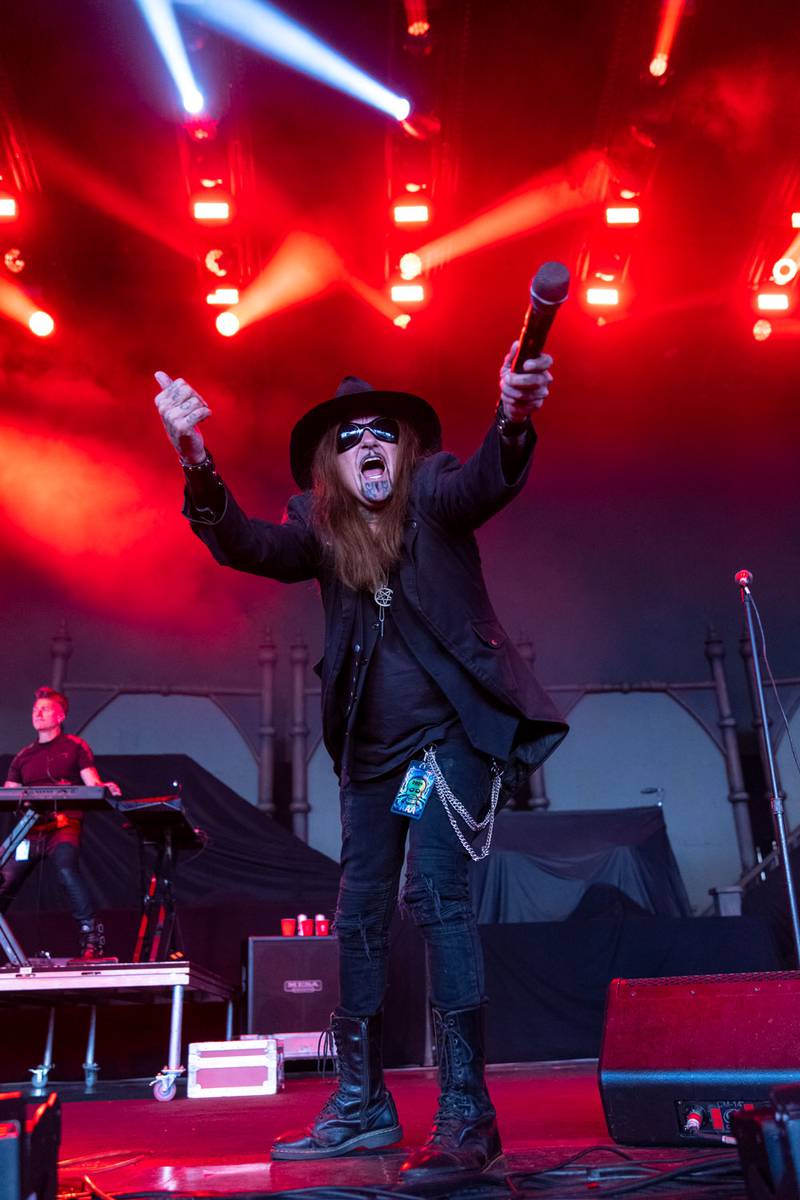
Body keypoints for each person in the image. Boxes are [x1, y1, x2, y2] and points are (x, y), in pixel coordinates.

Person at [154, 343, 568, 1179]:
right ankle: (362, 1103)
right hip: (372, 758)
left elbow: (491, 474)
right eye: (350, 438)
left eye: (383, 433)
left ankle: (466, 1112)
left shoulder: (436, 494)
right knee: (358, 916)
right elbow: (245, 545)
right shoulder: (318, 527)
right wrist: (195, 459)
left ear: (404, 450)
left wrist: (514, 416)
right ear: (330, 467)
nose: (369, 443)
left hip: (450, 736)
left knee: (438, 897)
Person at [2, 686, 121, 959]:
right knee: (3, 879)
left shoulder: (75, 747)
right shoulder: (23, 756)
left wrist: (105, 788)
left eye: (44, 709)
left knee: (66, 871)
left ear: (60, 716)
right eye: (35, 710)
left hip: (63, 825)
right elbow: (8, 793)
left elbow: (92, 784)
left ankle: (91, 936)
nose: (38, 713)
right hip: (29, 830)